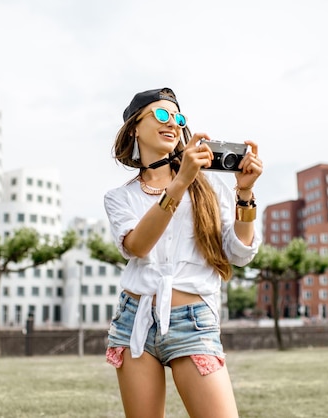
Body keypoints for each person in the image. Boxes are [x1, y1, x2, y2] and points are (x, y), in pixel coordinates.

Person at [103, 87, 263, 417]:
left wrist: (244, 194)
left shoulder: (209, 186)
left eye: (178, 118)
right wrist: (179, 183)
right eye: (161, 115)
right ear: (135, 126)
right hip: (136, 321)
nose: (172, 123)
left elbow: (239, 252)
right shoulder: (120, 198)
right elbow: (137, 245)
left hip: (194, 321)